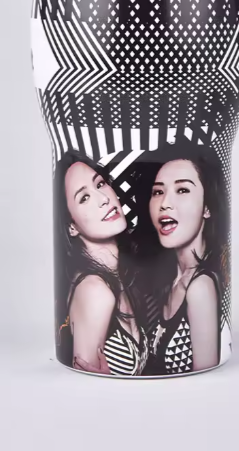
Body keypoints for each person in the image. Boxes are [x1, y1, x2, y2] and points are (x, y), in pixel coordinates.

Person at [136, 141, 228, 375]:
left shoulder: (200, 287)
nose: (165, 204)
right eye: (158, 192)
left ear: (207, 207)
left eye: (182, 190)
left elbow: (206, 378)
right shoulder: (169, 280)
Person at [54, 151, 148, 376]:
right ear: (72, 226)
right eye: (84, 198)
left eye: (100, 184)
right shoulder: (95, 291)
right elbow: (84, 383)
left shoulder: (119, 278)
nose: (103, 199)